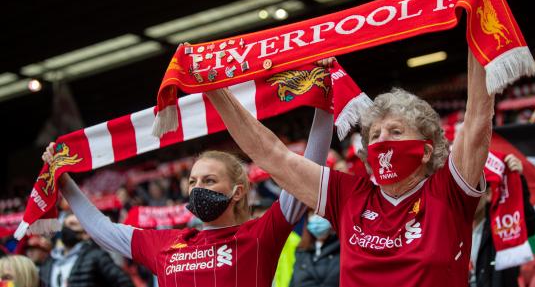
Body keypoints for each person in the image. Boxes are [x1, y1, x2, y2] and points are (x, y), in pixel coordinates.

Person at [204, 50, 493, 287]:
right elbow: (269, 153)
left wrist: (476, 25)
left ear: (426, 150)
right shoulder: (349, 194)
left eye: (395, 131)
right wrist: (213, 86)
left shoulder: (448, 192)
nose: (382, 141)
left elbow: (478, 120)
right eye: (375, 135)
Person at [42, 104, 333, 287]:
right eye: (192, 181)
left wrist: (323, 106)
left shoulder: (259, 235)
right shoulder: (167, 243)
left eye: (209, 180)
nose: (197, 188)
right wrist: (63, 178)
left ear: (237, 191)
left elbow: (305, 172)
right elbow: (101, 228)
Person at [470, 154, 535, 287]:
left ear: (488, 194)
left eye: (475, 190)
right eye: (463, 190)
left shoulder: (501, 225)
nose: (468, 196)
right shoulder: (448, 229)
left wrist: (518, 182)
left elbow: (529, 226)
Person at [39, 213, 135, 287]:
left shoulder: (96, 257)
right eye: (64, 225)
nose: (66, 228)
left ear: (85, 234)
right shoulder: (50, 261)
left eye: (72, 224)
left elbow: (123, 282)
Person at [290, 211, 340, 287]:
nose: (316, 217)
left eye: (321, 213)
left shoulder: (343, 250)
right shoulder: (302, 250)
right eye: (312, 213)